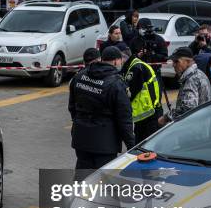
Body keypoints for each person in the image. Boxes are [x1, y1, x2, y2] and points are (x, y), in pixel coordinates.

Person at [68, 46, 135, 174]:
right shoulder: (116, 84)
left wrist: (79, 123)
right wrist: (132, 145)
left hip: (81, 138)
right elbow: (124, 119)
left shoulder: (80, 76)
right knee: (102, 181)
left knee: (83, 176)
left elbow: (72, 106)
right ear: (116, 61)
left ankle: (78, 194)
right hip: (104, 143)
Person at [121, 37, 162, 143]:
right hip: (147, 114)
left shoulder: (135, 68)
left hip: (149, 116)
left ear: (123, 57)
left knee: (145, 147)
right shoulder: (134, 64)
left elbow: (129, 94)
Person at [158, 47, 211, 126]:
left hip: (194, 129)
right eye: (173, 61)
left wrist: (166, 118)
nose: (173, 64)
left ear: (188, 61)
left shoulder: (192, 79)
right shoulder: (198, 74)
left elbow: (188, 107)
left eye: (176, 61)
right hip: (201, 125)